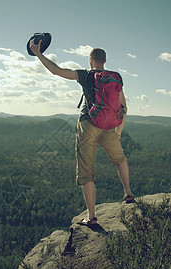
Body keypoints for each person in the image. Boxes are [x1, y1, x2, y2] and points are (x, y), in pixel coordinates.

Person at [30, 40, 134, 226]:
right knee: (120, 159)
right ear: (104, 60)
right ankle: (128, 194)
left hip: (88, 125)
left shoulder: (86, 75)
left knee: (86, 172)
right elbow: (124, 107)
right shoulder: (115, 78)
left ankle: (92, 217)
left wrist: (38, 53)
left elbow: (57, 70)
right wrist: (119, 129)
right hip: (109, 127)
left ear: (91, 60)